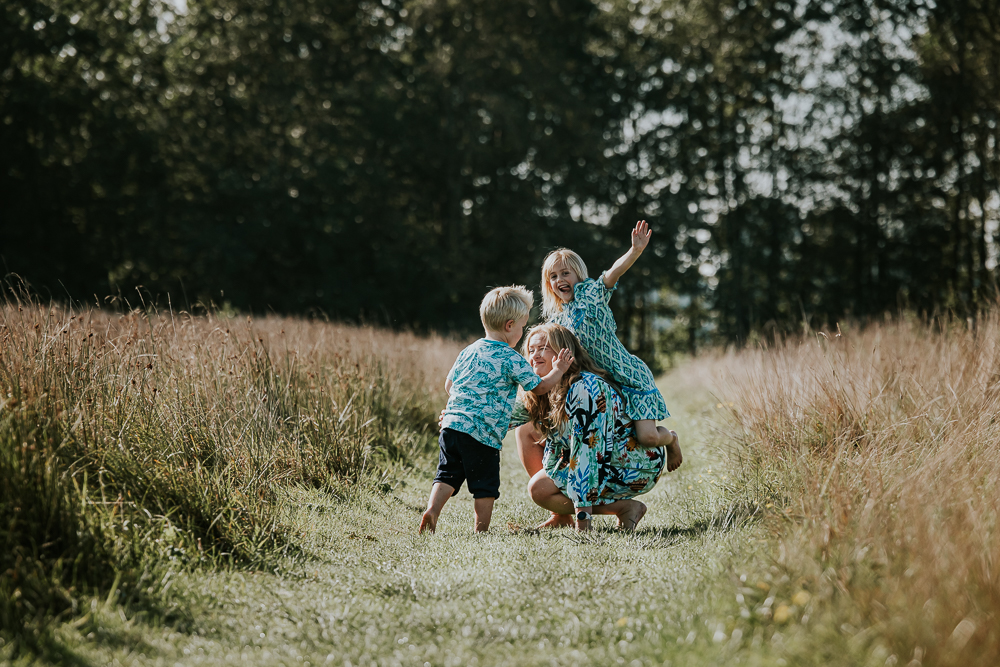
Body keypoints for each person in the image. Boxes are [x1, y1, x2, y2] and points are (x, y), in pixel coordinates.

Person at [419, 286, 574, 534]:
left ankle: (433, 510)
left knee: (447, 474)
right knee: (485, 485)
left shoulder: (468, 350)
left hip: (451, 426)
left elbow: (450, 385)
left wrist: (463, 407)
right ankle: (481, 531)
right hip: (482, 434)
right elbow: (540, 387)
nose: (522, 331)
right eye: (523, 326)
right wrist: (559, 369)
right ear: (510, 326)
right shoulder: (511, 358)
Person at [511, 323, 682, 532]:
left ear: (565, 352)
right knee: (527, 430)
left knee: (539, 489)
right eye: (531, 350)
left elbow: (589, 454)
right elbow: (503, 418)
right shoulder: (541, 388)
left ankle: (617, 508)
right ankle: (574, 513)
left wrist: (583, 523)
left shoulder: (586, 389)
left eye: (543, 348)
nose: (535, 355)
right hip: (593, 459)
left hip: (630, 461)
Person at [541, 220, 679, 456]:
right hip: (604, 387)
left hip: (630, 378)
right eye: (553, 276)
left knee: (648, 437)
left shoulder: (591, 294)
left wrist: (634, 251)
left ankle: (672, 438)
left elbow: (613, 273)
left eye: (565, 273)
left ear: (578, 274)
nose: (559, 279)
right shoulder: (559, 320)